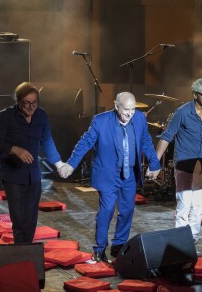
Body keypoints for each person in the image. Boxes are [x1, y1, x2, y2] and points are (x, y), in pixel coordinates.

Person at [58, 92, 161, 262]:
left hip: (128, 174)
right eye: (126, 109)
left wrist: (155, 163)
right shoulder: (100, 121)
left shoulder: (140, 119)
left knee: (127, 211)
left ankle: (119, 246)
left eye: (133, 109)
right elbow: (85, 142)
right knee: (106, 211)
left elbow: (146, 141)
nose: (130, 113)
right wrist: (70, 164)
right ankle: (99, 249)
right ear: (116, 106)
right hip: (108, 174)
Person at [149, 78, 202, 244]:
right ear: (195, 95)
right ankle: (180, 245)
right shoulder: (182, 113)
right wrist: (154, 164)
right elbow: (166, 138)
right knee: (184, 206)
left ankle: (192, 242)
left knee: (198, 207)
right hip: (184, 164)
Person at [0, 82, 64, 244]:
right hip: (13, 175)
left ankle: (27, 251)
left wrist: (58, 163)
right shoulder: (5, 116)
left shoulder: (41, 115)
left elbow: (47, 141)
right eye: (27, 103)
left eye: (35, 102)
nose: (31, 107)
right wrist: (14, 149)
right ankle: (20, 252)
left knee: (30, 219)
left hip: (34, 175)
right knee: (19, 219)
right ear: (18, 101)